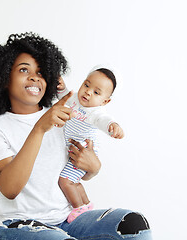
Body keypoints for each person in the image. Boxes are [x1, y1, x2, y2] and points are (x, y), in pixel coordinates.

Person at [0, 32, 152, 240]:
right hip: (18, 224)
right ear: (2, 78)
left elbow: (75, 168)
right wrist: (39, 128)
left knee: (135, 226)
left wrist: (93, 168)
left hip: (68, 220)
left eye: (41, 72)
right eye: (23, 69)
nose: (34, 77)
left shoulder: (65, 109)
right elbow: (10, 188)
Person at [56, 68, 124, 223]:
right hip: (73, 149)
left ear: (105, 101)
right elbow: (64, 98)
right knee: (75, 182)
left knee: (65, 181)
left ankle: (78, 208)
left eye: (96, 92)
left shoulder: (96, 112)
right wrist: (61, 88)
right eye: (86, 85)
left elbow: (104, 120)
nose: (88, 92)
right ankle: (86, 204)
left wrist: (112, 126)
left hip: (84, 152)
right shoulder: (74, 99)